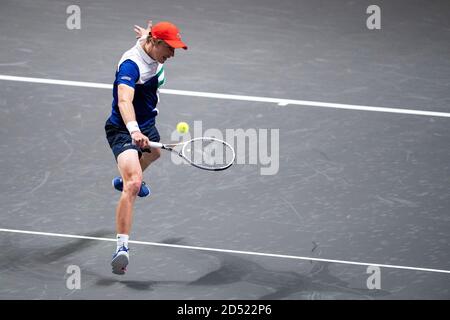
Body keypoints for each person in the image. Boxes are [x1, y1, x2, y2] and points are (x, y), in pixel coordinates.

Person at [104, 20, 188, 275]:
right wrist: (134, 131)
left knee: (155, 153)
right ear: (156, 43)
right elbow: (124, 99)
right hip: (123, 128)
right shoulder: (131, 65)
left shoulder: (150, 46)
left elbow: (146, 43)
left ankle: (125, 179)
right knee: (134, 184)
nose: (172, 54)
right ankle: (122, 249)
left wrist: (145, 36)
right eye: (169, 48)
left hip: (147, 124)